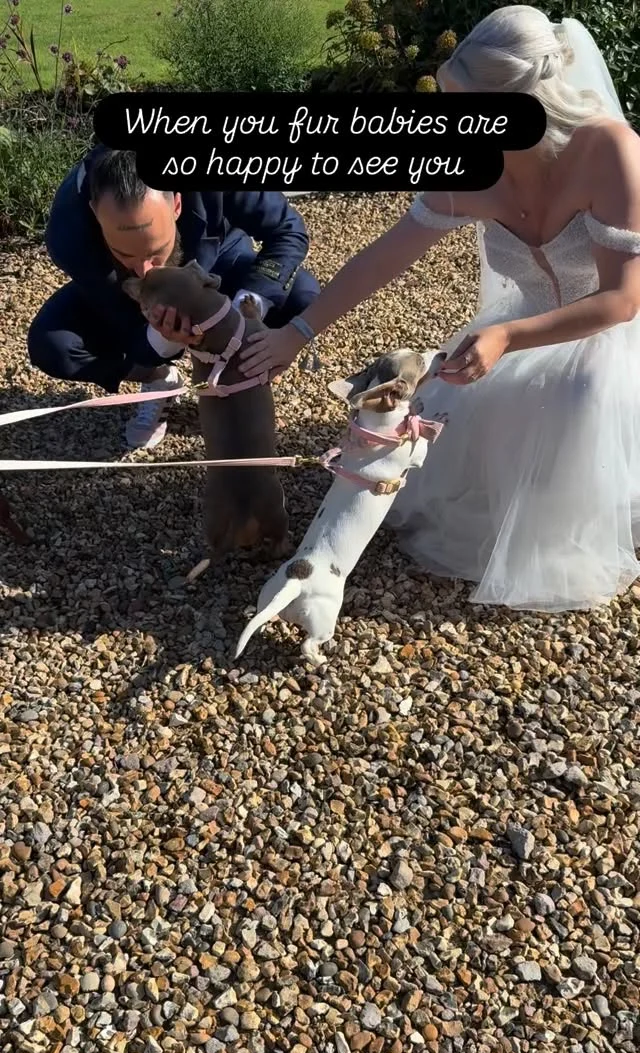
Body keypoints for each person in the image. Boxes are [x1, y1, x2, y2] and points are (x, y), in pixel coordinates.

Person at [238, 5, 640, 613]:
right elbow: (382, 258)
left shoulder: (608, 150)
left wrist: (507, 336)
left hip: (613, 333)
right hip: (519, 330)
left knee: (582, 394)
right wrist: (297, 331)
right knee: (455, 420)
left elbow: (623, 299)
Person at [27, 145, 321, 449]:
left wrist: (244, 313)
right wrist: (160, 340)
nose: (145, 270)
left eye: (155, 251)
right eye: (124, 253)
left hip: (218, 262)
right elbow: (121, 320)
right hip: (125, 293)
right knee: (52, 345)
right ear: (95, 213)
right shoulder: (69, 233)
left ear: (177, 205)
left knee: (303, 297)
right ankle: (158, 379)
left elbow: (288, 230)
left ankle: (237, 373)